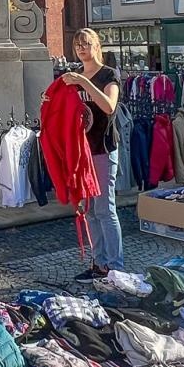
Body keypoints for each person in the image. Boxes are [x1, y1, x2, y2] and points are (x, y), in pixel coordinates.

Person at [62, 28, 123, 280]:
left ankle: (115, 266)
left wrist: (84, 82)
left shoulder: (109, 74)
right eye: (77, 45)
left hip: (103, 148)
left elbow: (109, 106)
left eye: (86, 43)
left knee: (105, 209)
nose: (81, 48)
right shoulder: (75, 76)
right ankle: (99, 263)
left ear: (96, 46)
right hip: (82, 152)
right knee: (88, 210)